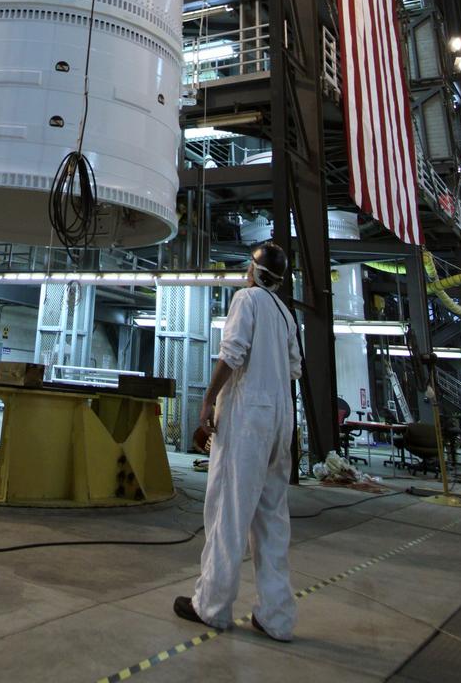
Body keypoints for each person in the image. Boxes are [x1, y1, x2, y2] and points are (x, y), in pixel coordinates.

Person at [174, 241, 301, 641]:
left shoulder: (246, 300)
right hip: (282, 420)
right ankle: (277, 617)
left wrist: (210, 398)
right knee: (271, 521)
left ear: (256, 272)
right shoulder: (285, 315)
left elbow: (233, 353)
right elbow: (295, 367)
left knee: (228, 512)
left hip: (250, 417)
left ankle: (211, 605)